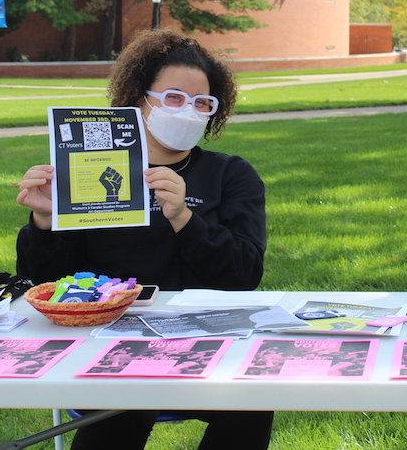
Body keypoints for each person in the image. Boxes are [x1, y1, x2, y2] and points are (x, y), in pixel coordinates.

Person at [15, 28, 272, 450]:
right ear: (138, 99)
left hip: (207, 341)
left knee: (252, 396)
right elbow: (44, 282)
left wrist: (185, 217)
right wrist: (44, 221)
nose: (187, 111)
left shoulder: (231, 175)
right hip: (109, 341)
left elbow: (244, 274)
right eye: (173, 97)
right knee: (120, 405)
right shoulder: (91, 173)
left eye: (201, 103)